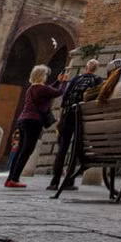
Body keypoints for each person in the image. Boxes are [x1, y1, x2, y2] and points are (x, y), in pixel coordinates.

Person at [5, 65, 70, 188]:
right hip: (34, 121)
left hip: (23, 120)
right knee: (26, 151)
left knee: (20, 150)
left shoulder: (32, 89)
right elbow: (58, 92)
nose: (46, 77)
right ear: (41, 76)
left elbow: (48, 90)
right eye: (45, 75)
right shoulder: (41, 89)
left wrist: (58, 81)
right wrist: (64, 82)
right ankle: (14, 179)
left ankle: (10, 178)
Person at [48, 59, 102, 191]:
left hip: (68, 115)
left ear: (85, 68)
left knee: (62, 149)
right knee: (76, 149)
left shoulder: (75, 79)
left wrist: (61, 118)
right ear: (97, 69)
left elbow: (65, 97)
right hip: (82, 118)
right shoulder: (97, 80)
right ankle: (69, 181)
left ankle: (54, 181)